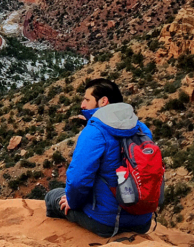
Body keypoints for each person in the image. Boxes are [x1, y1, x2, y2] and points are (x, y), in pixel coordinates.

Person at [45, 78, 154, 237]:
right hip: (143, 221)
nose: (82, 105)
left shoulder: (95, 131)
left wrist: (72, 202)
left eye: (87, 99)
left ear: (103, 101)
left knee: (53, 196)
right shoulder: (141, 128)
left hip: (105, 223)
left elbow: (77, 181)